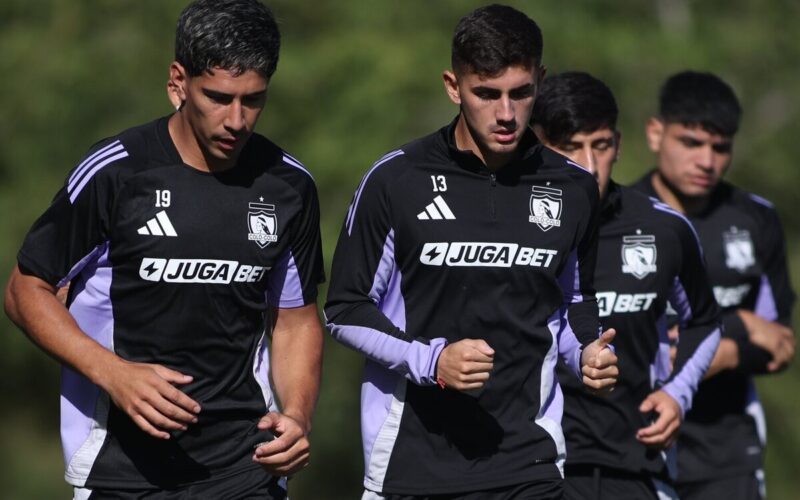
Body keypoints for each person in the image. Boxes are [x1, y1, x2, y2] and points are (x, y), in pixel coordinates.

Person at [3, 0, 325, 498]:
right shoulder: (116, 173)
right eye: (218, 97)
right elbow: (25, 291)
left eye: (253, 100)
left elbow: (296, 319)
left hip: (245, 464)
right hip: (122, 469)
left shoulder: (288, 185)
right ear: (178, 82)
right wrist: (113, 373)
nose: (237, 120)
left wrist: (298, 415)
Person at [324, 6, 618, 499]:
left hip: (531, 465)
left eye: (521, 93)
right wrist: (432, 361)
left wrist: (588, 353)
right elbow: (344, 309)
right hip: (412, 468)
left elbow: (573, 305)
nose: (506, 113)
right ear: (452, 86)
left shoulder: (574, 187)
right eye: (487, 93)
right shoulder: (396, 180)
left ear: (539, 82)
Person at [531, 71, 721, 500]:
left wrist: (676, 394)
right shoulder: (512, 230)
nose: (590, 166)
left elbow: (705, 322)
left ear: (618, 144)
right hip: (536, 471)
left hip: (636, 468)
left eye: (600, 145)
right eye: (571, 148)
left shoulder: (665, 228)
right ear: (540, 145)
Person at [632, 70, 796, 500]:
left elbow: (780, 345)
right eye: (691, 142)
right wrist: (739, 326)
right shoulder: (617, 217)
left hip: (727, 455)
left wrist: (720, 350)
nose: (707, 161)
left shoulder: (756, 219)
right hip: (635, 445)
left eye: (720, 147)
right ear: (655, 133)